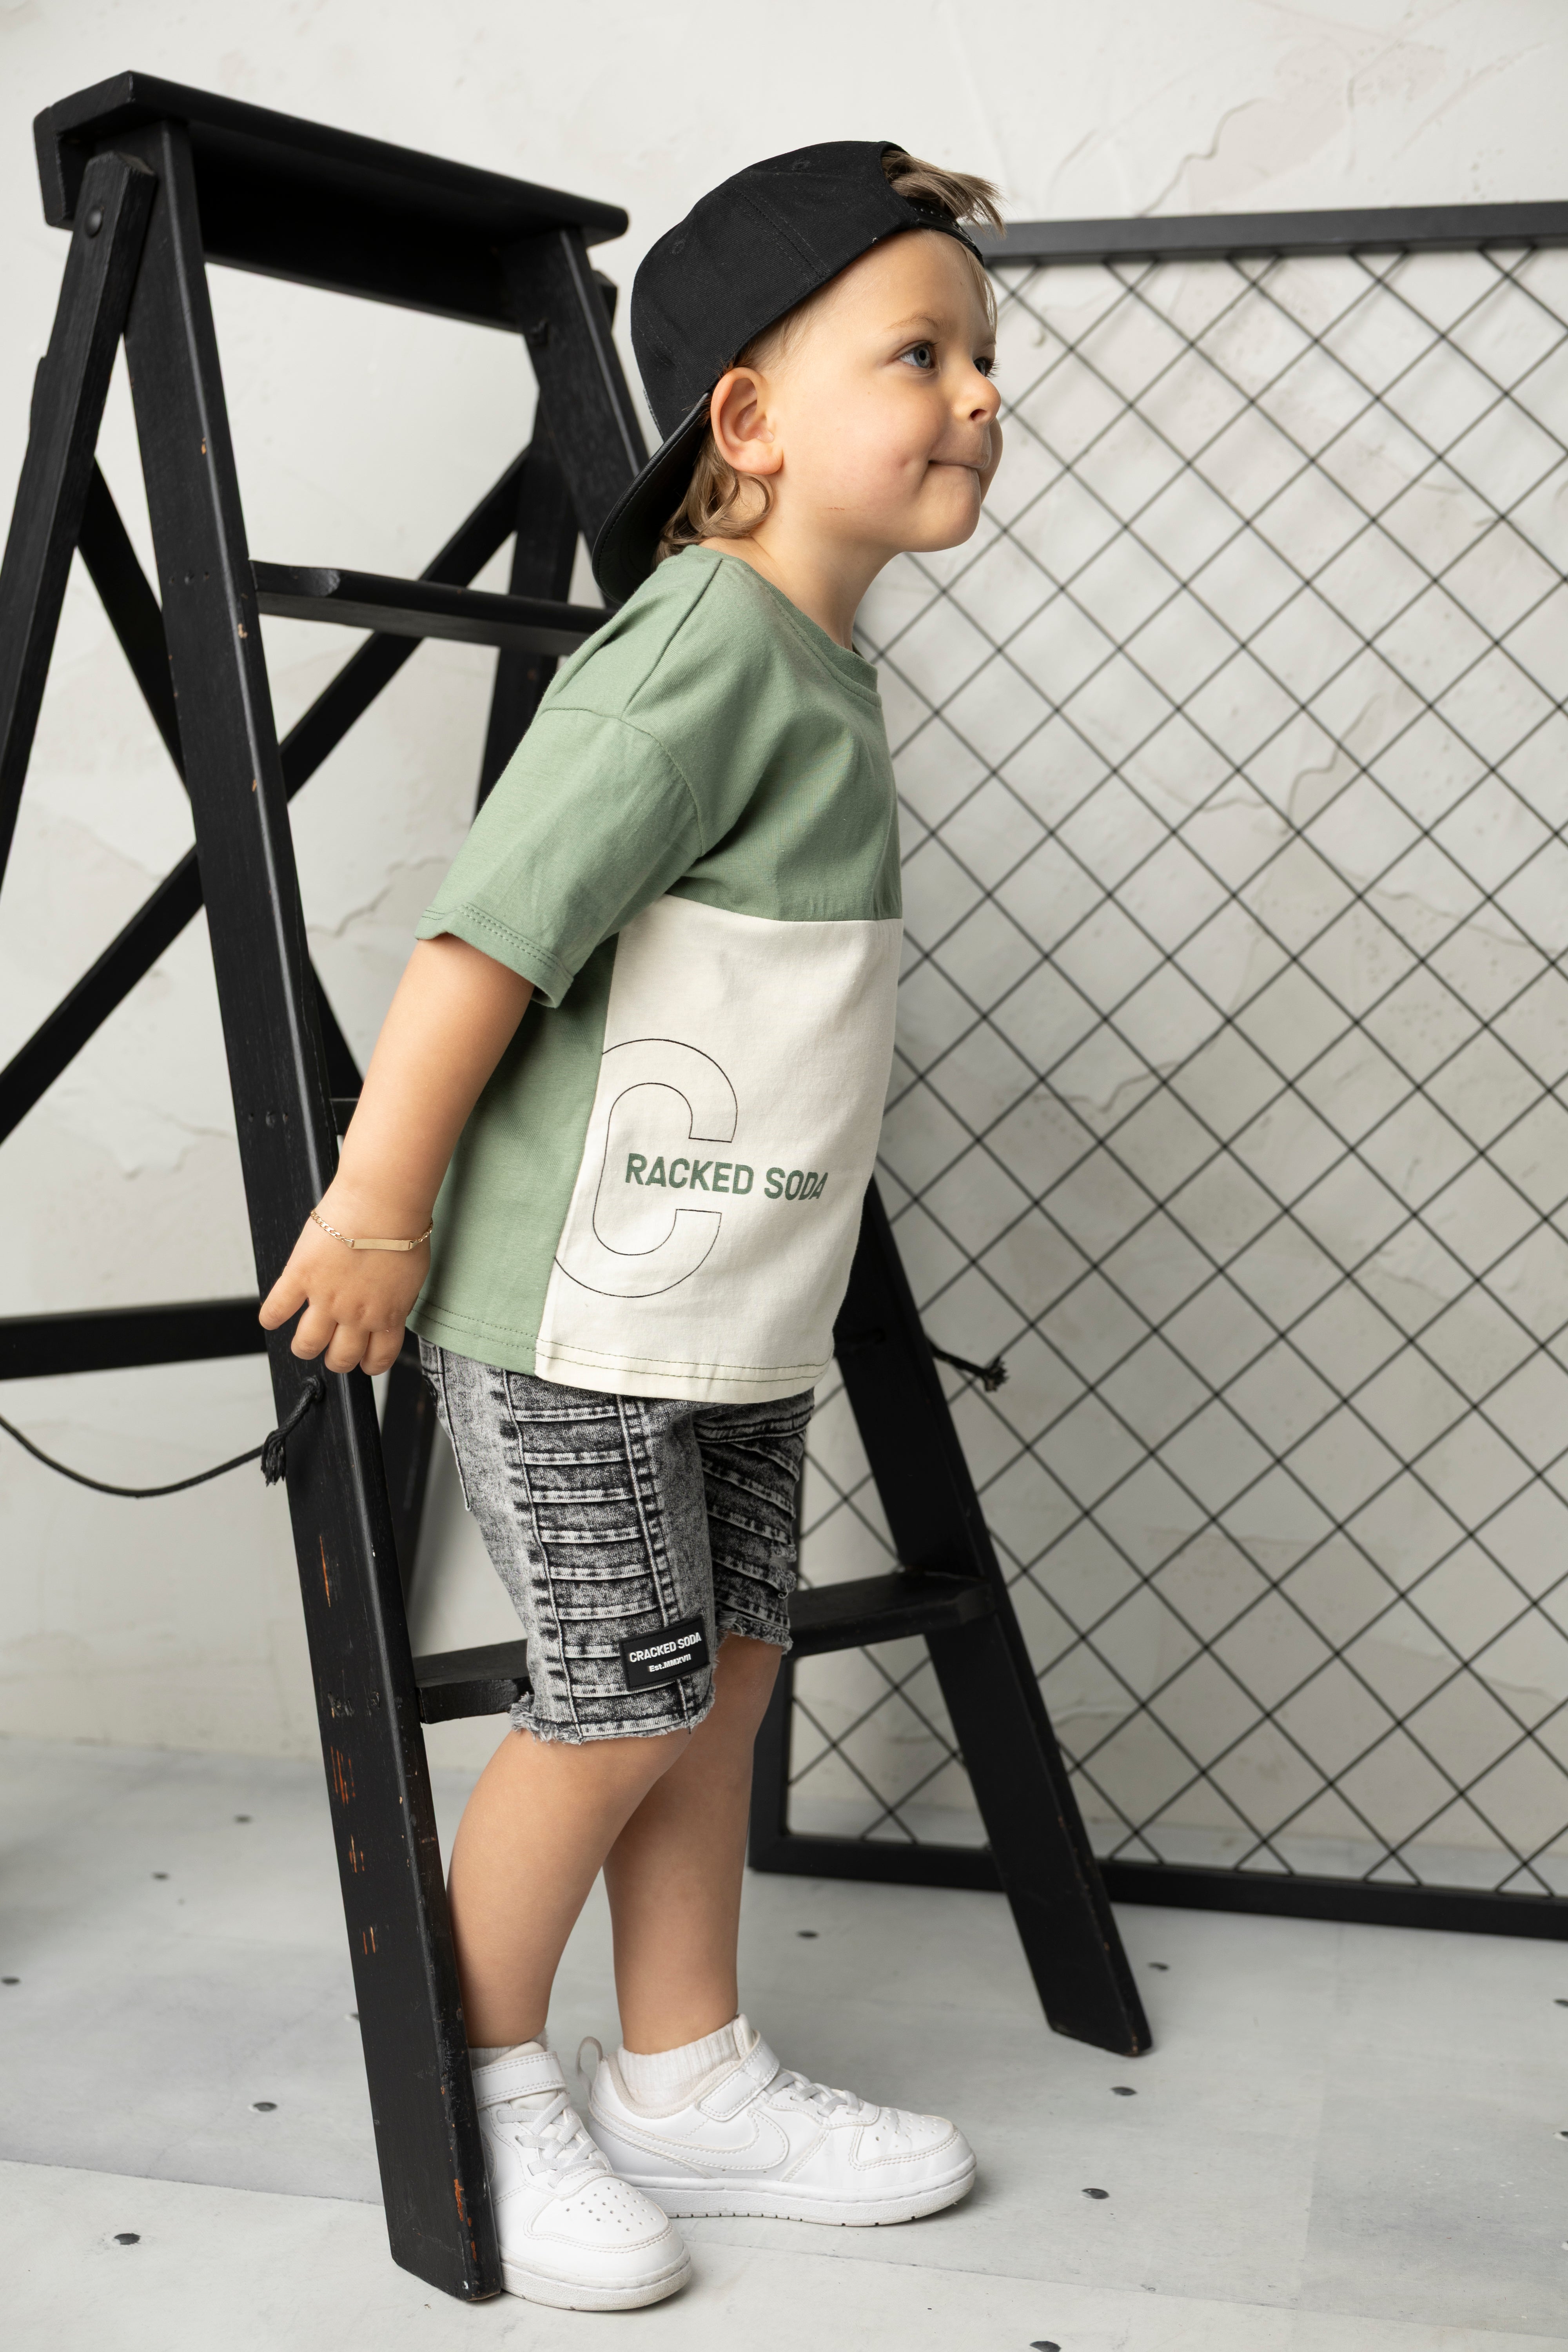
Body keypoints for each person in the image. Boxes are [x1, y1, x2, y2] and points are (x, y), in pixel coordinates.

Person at [260, 139, 1004, 2311]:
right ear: (747, 423)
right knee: (614, 1692)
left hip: (731, 1302)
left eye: (984, 358)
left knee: (728, 1670)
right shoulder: (701, 646)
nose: (978, 394)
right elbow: (490, 933)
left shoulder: (820, 666)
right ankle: (482, 2087)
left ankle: (684, 2070)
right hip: (574, 1305)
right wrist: (378, 1205)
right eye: (919, 354)